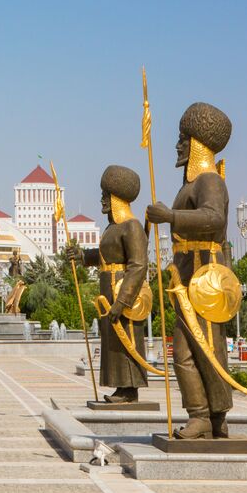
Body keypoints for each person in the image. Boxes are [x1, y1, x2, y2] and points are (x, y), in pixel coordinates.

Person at [146, 102, 235, 439]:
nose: (177, 145)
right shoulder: (188, 186)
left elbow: (214, 218)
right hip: (186, 273)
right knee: (185, 349)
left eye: (183, 138)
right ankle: (204, 414)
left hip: (205, 275)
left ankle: (211, 415)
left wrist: (171, 217)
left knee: (203, 346)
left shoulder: (209, 180)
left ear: (197, 142)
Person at [66, 165, 149, 403]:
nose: (102, 200)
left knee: (127, 339)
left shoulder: (131, 226)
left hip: (124, 292)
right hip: (108, 289)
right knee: (113, 342)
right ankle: (121, 388)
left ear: (117, 198)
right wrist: (83, 256)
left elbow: (138, 265)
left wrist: (123, 301)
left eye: (106, 195)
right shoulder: (113, 228)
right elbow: (106, 255)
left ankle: (130, 389)